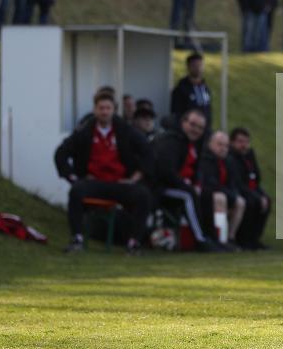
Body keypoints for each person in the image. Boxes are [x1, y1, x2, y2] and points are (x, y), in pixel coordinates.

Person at [55, 90, 154, 255]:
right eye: (101, 108)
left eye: (108, 108)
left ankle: (134, 242)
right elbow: (61, 153)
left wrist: (137, 176)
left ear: (114, 110)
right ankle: (77, 239)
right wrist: (73, 177)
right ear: (95, 109)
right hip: (95, 182)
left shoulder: (124, 129)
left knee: (143, 195)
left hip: (119, 182)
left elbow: (148, 151)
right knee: (76, 191)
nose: (104, 112)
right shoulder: (85, 130)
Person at [152, 108, 219, 252]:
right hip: (161, 187)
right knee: (189, 195)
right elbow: (166, 172)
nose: (196, 130)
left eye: (200, 128)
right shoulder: (170, 141)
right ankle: (200, 240)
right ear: (183, 122)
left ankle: (212, 238)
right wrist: (186, 185)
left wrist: (197, 184)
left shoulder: (196, 144)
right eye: (193, 125)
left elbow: (197, 169)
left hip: (180, 185)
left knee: (206, 194)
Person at [198, 131, 245, 248]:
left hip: (224, 194)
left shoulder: (228, 161)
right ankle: (219, 239)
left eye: (226, 145)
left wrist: (233, 195)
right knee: (220, 198)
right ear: (210, 144)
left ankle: (230, 237)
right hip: (206, 196)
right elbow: (210, 183)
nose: (223, 148)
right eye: (219, 144)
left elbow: (233, 184)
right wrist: (230, 195)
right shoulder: (204, 159)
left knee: (240, 202)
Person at [229, 127, 270, 250]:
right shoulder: (231, 158)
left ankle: (255, 239)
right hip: (238, 190)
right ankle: (243, 239)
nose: (244, 145)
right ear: (232, 142)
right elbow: (237, 182)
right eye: (240, 141)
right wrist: (256, 196)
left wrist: (261, 194)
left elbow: (256, 179)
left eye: (246, 142)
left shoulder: (249, 156)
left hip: (250, 190)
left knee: (266, 200)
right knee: (251, 202)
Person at [171, 52, 212, 128]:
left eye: (200, 65)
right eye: (195, 65)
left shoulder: (205, 88)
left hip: (205, 130)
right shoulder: (181, 89)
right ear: (188, 67)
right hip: (189, 131)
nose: (198, 68)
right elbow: (177, 113)